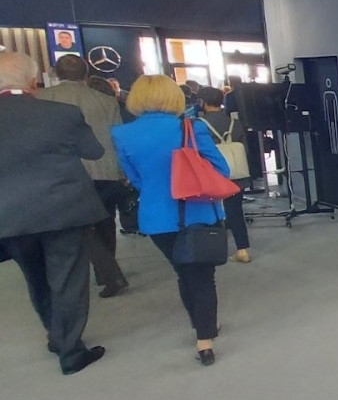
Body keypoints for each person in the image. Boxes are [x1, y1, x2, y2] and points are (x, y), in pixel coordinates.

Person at [0, 52, 107, 375]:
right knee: (68, 280)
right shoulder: (62, 114)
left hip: (10, 216)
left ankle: (56, 335)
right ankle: (70, 351)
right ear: (34, 82)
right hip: (64, 210)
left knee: (35, 278)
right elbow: (94, 151)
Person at [111, 75, 230, 366]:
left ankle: (200, 324)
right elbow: (222, 169)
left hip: (156, 217)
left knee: (183, 272)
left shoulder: (122, 134)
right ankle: (205, 339)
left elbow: (135, 179)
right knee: (203, 276)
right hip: (199, 212)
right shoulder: (190, 128)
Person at [39, 55, 130, 298]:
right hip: (105, 170)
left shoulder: (42, 98)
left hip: (65, 174)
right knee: (106, 221)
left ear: (56, 73)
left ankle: (109, 273)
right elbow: (117, 138)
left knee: (80, 227)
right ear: (86, 73)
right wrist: (122, 171)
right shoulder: (106, 101)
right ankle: (106, 273)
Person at [196, 87, 252, 263]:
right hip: (236, 172)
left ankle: (213, 250)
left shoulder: (198, 125)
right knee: (235, 212)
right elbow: (245, 149)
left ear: (202, 102)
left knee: (211, 212)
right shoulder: (235, 123)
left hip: (211, 174)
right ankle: (242, 250)